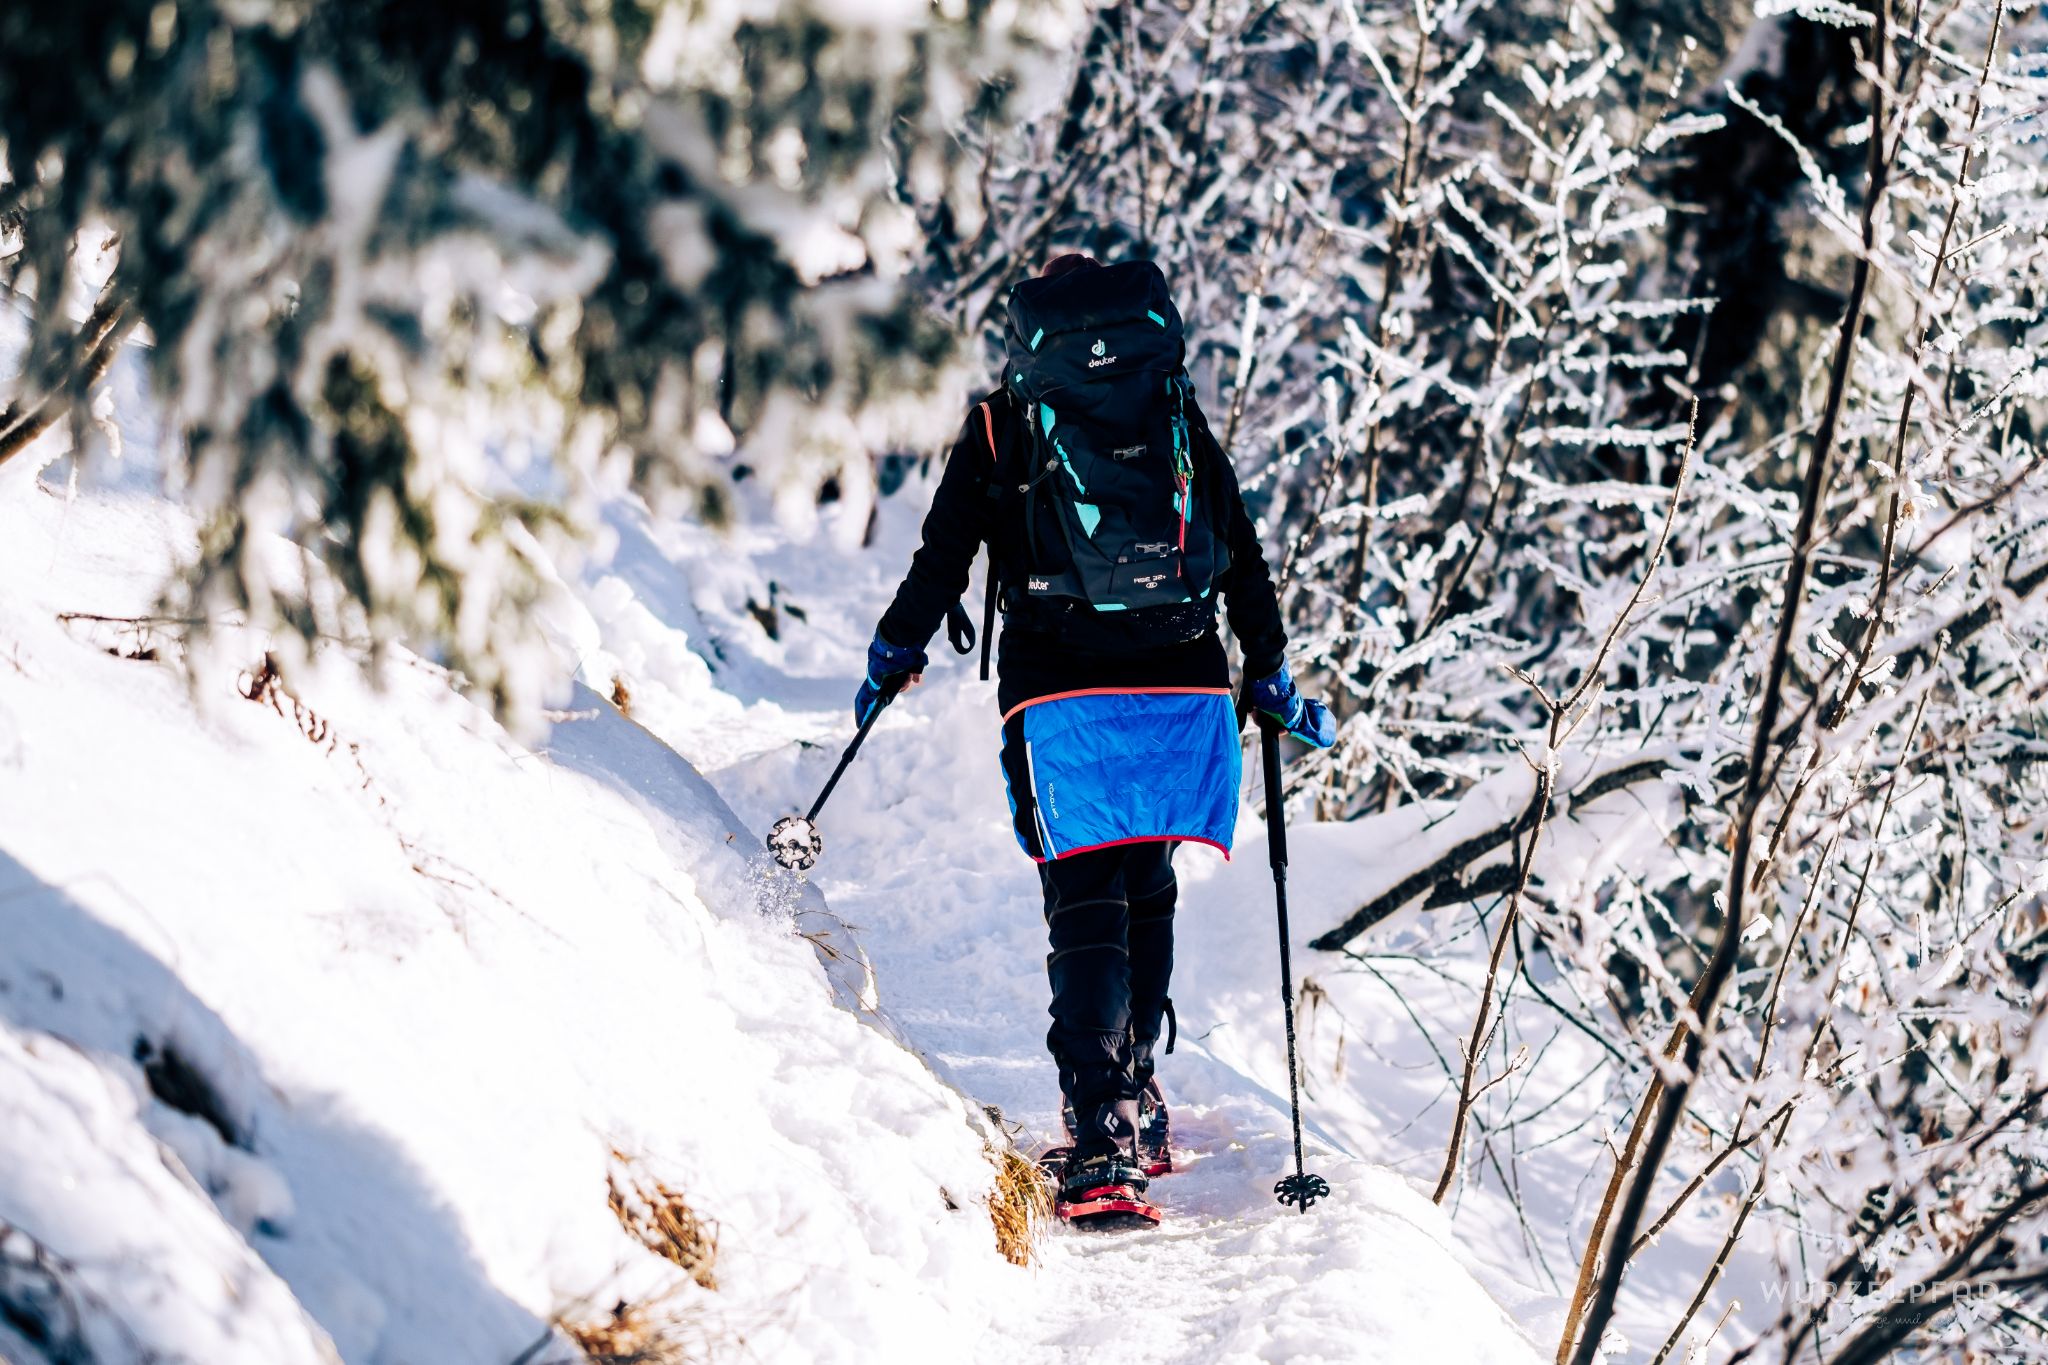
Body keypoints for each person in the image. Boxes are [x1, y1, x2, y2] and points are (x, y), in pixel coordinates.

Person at [857, 252, 1334, 1223]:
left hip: (1061, 688)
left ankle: (1101, 1127)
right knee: (1144, 880)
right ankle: (1137, 1092)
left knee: (1082, 894)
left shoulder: (1001, 421)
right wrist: (1270, 669)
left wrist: (893, 650)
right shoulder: (1166, 408)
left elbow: (940, 556)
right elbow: (1238, 547)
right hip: (1183, 676)